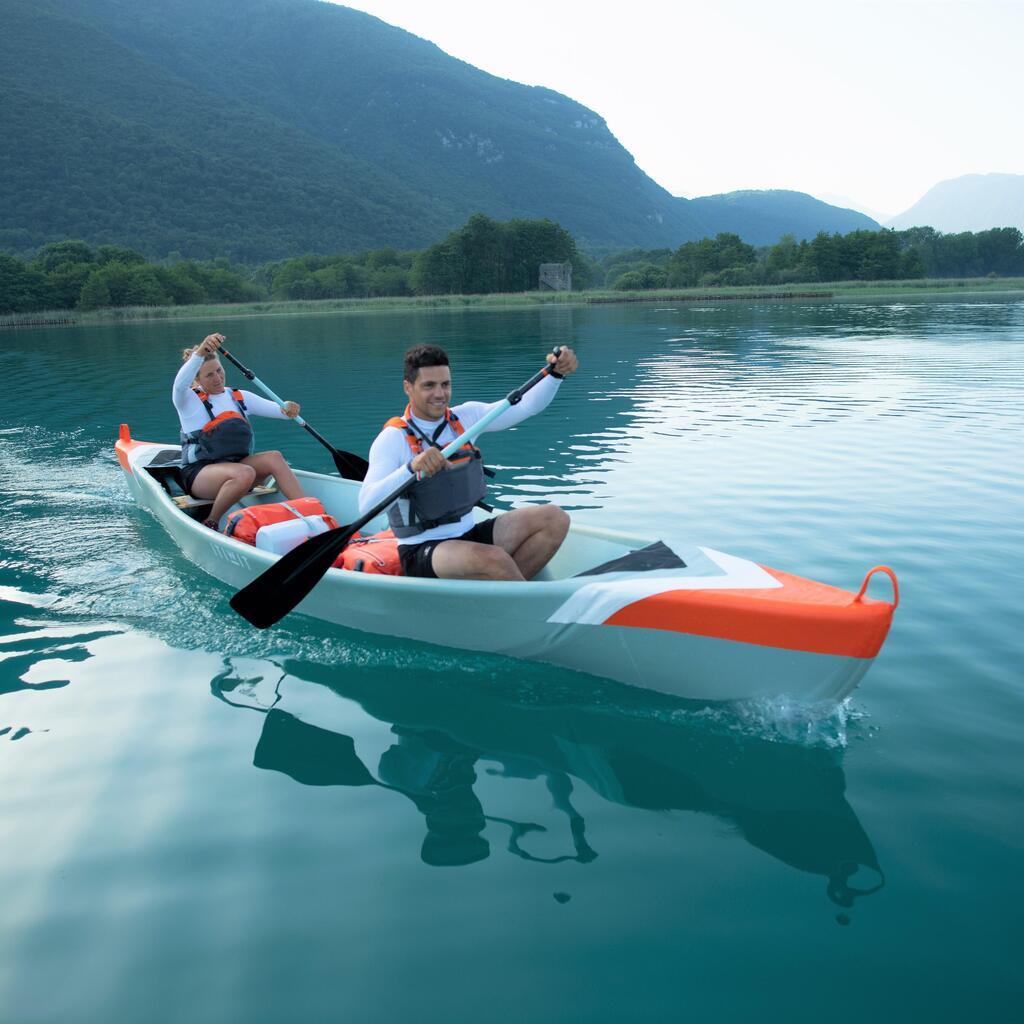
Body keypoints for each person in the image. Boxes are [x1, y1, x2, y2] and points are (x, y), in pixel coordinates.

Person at [359, 344, 578, 580]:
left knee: (554, 519)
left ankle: (503, 594)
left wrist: (556, 374)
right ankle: (517, 600)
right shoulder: (393, 438)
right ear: (408, 388)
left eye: (445, 384)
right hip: (422, 548)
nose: (440, 394)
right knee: (495, 559)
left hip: (468, 534)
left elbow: (526, 406)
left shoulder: (466, 418)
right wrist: (411, 468)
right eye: (429, 386)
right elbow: (366, 504)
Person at [172, 333, 305, 528]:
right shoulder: (187, 401)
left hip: (238, 467)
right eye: (209, 375)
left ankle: (309, 511)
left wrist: (289, 408)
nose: (218, 378)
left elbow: (282, 411)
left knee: (274, 457)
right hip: (200, 476)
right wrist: (201, 352)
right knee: (244, 473)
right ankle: (211, 521)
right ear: (196, 380)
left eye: (219, 370)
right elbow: (179, 384)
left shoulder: (239, 397)